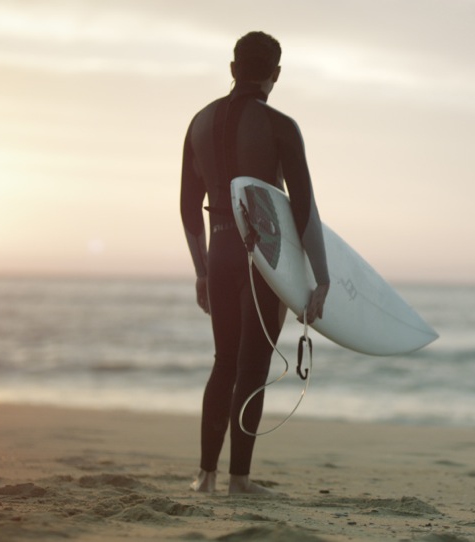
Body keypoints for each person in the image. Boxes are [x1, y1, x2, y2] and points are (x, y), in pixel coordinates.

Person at [180, 31, 330, 495]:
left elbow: (188, 208)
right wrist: (321, 277)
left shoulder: (199, 124)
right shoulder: (280, 125)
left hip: (220, 251)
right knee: (252, 367)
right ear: (275, 75)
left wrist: (202, 271)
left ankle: (205, 477)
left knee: (223, 362)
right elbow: (303, 207)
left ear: (232, 69)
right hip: (264, 257)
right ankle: (239, 480)